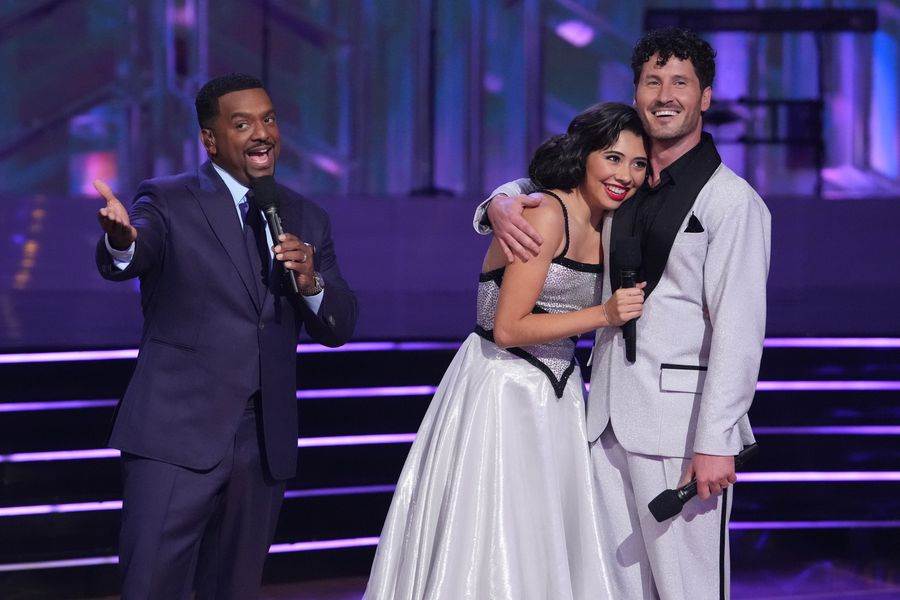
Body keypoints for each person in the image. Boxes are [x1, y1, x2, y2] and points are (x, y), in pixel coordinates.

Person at [476, 28, 771, 599]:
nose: (666, 95)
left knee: (688, 589)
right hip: (603, 421)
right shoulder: (626, 183)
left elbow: (740, 333)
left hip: (682, 435)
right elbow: (548, 183)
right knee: (612, 590)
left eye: (680, 82)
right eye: (653, 81)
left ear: (705, 97)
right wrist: (498, 203)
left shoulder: (733, 204)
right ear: (637, 92)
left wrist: (717, 440)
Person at [365, 103, 649, 599]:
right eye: (613, 158)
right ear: (584, 156)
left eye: (638, 163)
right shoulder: (544, 213)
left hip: (559, 397)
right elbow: (508, 328)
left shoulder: (610, 223)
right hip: (503, 390)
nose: (624, 174)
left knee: (543, 536)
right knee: (490, 533)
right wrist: (604, 315)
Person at [94, 73, 357, 599]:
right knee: (151, 586)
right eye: (243, 124)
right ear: (210, 140)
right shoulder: (168, 198)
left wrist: (312, 283)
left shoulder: (306, 216)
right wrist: (122, 242)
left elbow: (340, 325)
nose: (262, 133)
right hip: (176, 434)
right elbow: (136, 250)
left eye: (269, 119)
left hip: (261, 444)